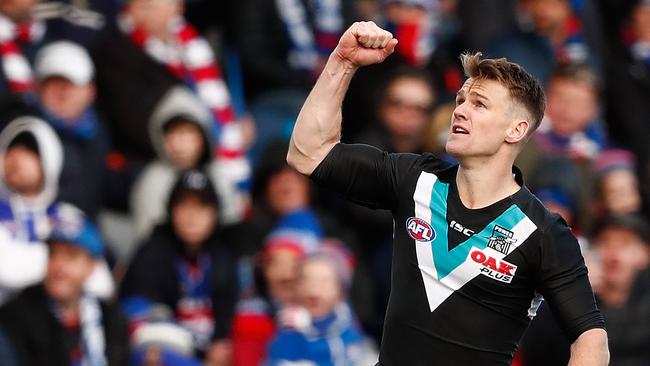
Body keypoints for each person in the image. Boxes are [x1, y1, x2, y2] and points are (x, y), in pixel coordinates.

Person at [287, 21, 608, 365]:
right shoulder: (415, 178)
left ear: (516, 130)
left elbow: (591, 339)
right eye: (460, 99)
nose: (460, 109)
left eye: (479, 104)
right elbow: (308, 153)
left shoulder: (543, 232)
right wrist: (343, 61)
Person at [121, 170, 238, 364]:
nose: (191, 216)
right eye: (183, 205)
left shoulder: (223, 254)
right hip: (167, 352)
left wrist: (221, 341)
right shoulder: (152, 251)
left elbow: (229, 314)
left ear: (214, 214)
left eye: (201, 206)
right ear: (171, 210)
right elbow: (141, 322)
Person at [0, 205, 129, 366]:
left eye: (71, 256)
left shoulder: (110, 318)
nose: (58, 266)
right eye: (53, 254)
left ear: (92, 266)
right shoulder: (15, 317)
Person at [130, 86, 246, 241]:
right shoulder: (152, 182)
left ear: (203, 136)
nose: (180, 143)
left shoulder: (219, 178)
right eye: (172, 134)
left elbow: (231, 229)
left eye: (188, 133)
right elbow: (147, 237)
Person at [265, 239, 377, 366]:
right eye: (308, 281)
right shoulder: (290, 327)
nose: (314, 290)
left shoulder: (347, 323)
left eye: (324, 282)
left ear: (340, 291)